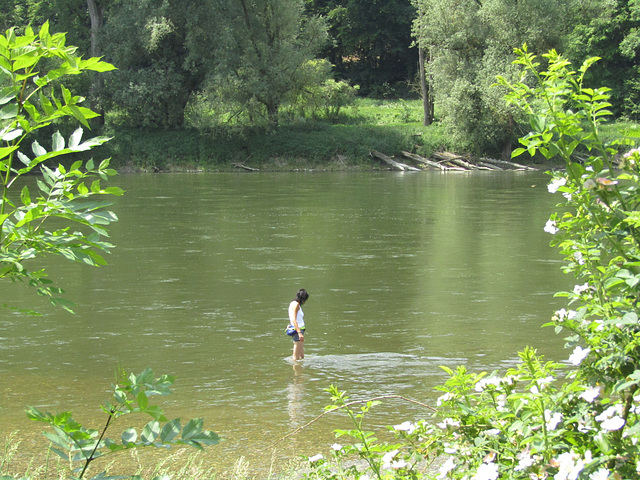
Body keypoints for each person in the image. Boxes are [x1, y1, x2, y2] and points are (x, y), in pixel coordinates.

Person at [288, 288, 309, 360]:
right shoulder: (296, 304)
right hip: (298, 330)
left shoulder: (292, 303)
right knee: (296, 357)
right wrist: (299, 332)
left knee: (301, 356)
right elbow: (294, 318)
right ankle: (296, 370)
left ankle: (300, 370)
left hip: (299, 329)